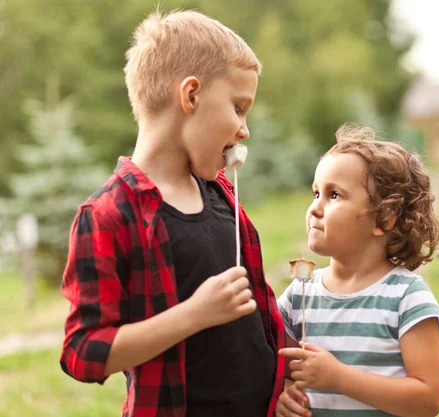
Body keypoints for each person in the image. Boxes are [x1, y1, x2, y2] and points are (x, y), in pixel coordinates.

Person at [59, 9, 285, 417]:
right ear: (191, 95)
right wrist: (193, 315)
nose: (244, 129)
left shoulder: (224, 197)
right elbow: (81, 353)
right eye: (238, 107)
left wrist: (283, 386)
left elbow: (257, 327)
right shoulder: (108, 214)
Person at [276, 124, 439, 417]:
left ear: (384, 217)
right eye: (315, 192)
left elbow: (428, 400)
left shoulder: (407, 297)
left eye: (334, 196)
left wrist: (339, 378)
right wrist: (284, 395)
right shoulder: (298, 295)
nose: (315, 208)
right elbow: (279, 369)